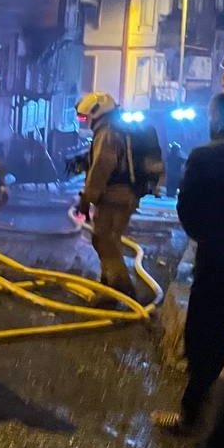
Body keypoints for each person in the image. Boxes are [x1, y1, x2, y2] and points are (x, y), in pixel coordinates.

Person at [150, 91, 224, 435]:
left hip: (219, 266)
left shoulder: (206, 157)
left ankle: (190, 418)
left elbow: (189, 211)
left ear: (220, 119)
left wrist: (212, 237)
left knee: (206, 346)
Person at [73, 92, 141, 299]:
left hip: (115, 196)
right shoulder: (117, 128)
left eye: (86, 118)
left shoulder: (107, 132)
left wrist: (86, 200)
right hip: (125, 194)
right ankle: (108, 282)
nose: (85, 123)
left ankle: (121, 289)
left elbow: (101, 168)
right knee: (109, 238)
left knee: (104, 240)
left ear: (97, 112)